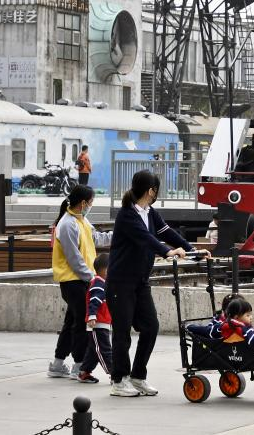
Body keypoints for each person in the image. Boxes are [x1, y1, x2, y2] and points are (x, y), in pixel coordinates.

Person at [107, 169, 210, 398]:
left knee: (150, 327)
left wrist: (194, 251)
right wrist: (167, 252)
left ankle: (137, 376)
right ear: (151, 191)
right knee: (122, 332)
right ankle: (119, 379)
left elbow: (167, 233)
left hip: (140, 281)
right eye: (156, 190)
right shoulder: (127, 215)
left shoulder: (150, 212)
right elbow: (146, 239)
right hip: (120, 282)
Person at [48, 185, 112, 379]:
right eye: (91, 202)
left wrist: (118, 235)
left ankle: (57, 364)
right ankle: (79, 365)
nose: (91, 205)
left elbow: (96, 238)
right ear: (83, 203)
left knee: (71, 323)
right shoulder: (67, 224)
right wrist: (92, 278)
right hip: (73, 281)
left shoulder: (81, 220)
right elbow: (74, 258)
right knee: (82, 324)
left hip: (81, 280)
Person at [76, 253, 113, 383]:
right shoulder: (98, 283)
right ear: (106, 270)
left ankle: (84, 373)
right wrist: (92, 316)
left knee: (94, 351)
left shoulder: (103, 283)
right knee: (104, 351)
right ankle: (115, 374)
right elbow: (94, 301)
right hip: (98, 324)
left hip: (102, 323)